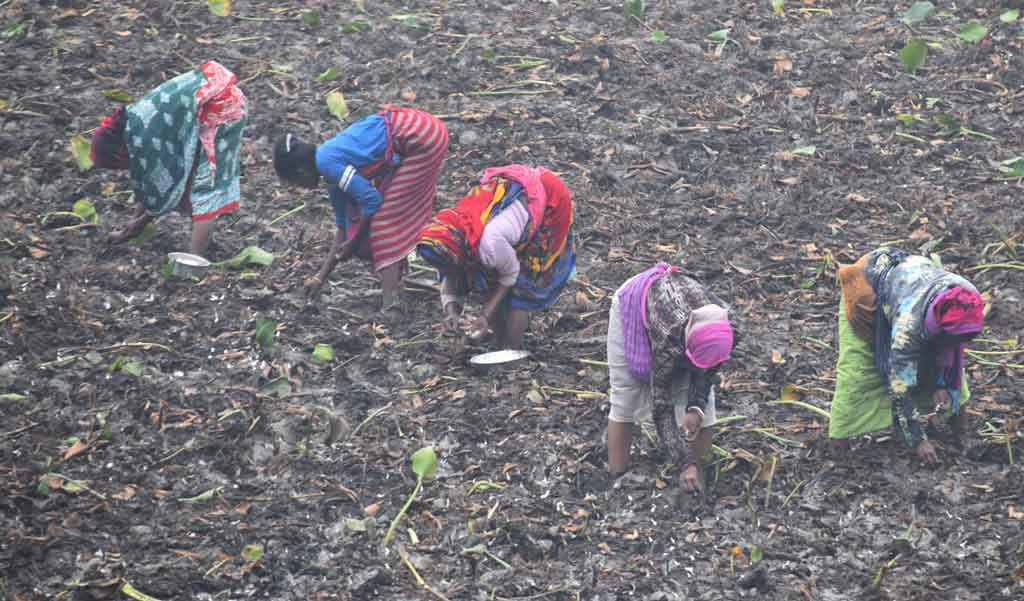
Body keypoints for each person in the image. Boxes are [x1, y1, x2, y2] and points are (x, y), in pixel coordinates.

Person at [273, 107, 448, 309]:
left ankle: (391, 304)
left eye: (295, 182)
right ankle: (395, 285)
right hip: (419, 132)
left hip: (422, 136)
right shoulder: (330, 175)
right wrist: (320, 278)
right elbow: (342, 229)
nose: (300, 188)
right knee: (371, 222)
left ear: (301, 170)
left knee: (383, 222)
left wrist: (354, 242)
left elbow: (372, 201)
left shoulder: (326, 162)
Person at [830, 248, 984, 464]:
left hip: (917, 285)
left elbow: (954, 345)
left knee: (955, 379)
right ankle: (838, 454)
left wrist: (943, 383)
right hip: (869, 291)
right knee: (858, 376)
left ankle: (962, 438)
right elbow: (899, 388)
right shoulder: (908, 328)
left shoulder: (966, 295)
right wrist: (917, 440)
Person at [92, 60, 247, 256]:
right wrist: (134, 223)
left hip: (220, 108)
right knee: (191, 181)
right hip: (213, 98)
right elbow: (152, 184)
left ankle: (192, 262)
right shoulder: (136, 123)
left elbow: (163, 184)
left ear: (118, 153)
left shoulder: (143, 139)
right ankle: (201, 246)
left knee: (204, 193)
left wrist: (138, 223)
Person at [605, 263, 734, 492]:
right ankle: (616, 478)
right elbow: (661, 407)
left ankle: (699, 479)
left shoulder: (728, 326)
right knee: (626, 396)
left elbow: (708, 373)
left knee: (706, 403)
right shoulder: (668, 342)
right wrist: (684, 461)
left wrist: (696, 408)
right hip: (634, 304)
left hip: (685, 321)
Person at [415, 165, 575, 349]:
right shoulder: (450, 237)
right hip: (511, 215)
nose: (449, 269)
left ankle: (512, 353)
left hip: (548, 198)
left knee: (522, 288)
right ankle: (500, 343)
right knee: (489, 278)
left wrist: (485, 315)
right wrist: (452, 312)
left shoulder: (488, 242)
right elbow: (449, 273)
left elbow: (509, 276)